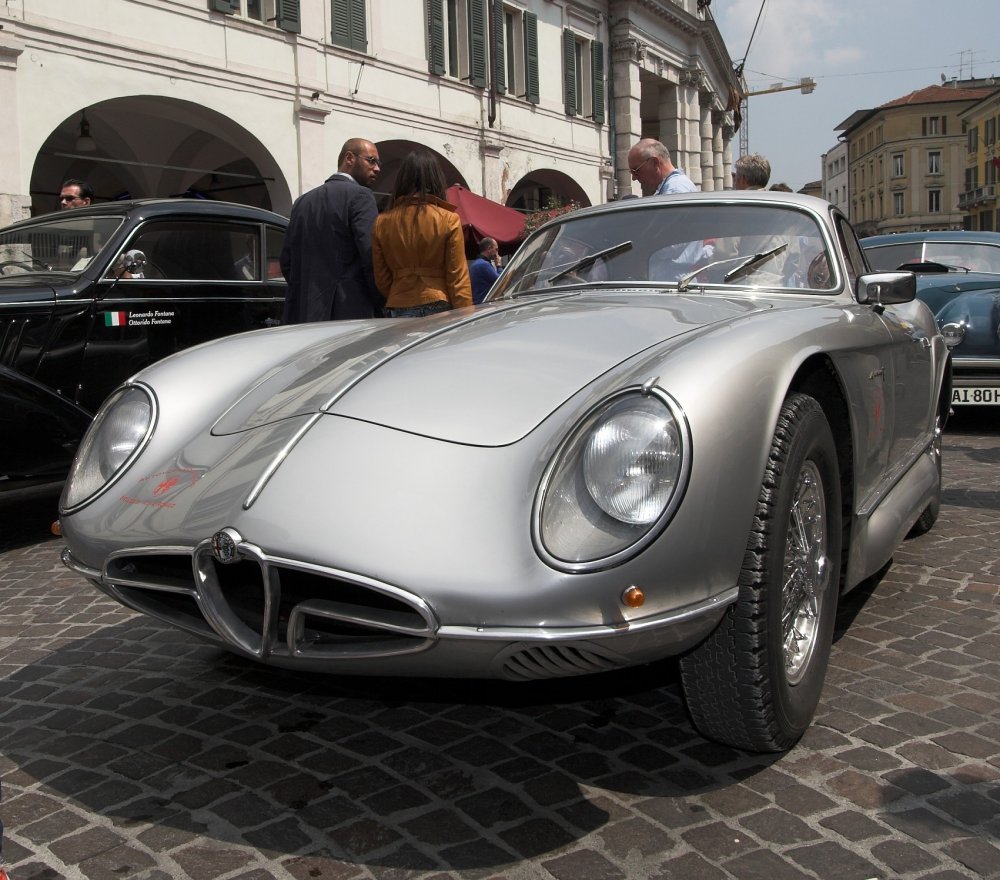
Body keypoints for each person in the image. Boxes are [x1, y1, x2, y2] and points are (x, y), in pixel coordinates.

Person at [280, 138, 383, 322]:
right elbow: (372, 256)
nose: (377, 168)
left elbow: (287, 261)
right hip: (348, 313)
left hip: (303, 313)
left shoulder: (303, 202)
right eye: (371, 160)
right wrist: (381, 302)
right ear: (349, 158)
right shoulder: (361, 196)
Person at [372, 151, 472, 317]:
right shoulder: (449, 219)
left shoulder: (382, 222)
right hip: (438, 302)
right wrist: (466, 316)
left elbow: (381, 278)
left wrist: (399, 291)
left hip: (398, 305)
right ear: (436, 178)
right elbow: (457, 278)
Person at [626, 138, 697, 196]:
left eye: (636, 170)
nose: (634, 178)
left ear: (655, 163)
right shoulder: (673, 186)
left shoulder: (674, 191)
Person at [469, 236, 500, 304]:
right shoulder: (483, 264)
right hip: (485, 305)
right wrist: (499, 265)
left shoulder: (474, 264)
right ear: (489, 249)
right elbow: (500, 282)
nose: (497, 253)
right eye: (496, 249)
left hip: (477, 303)